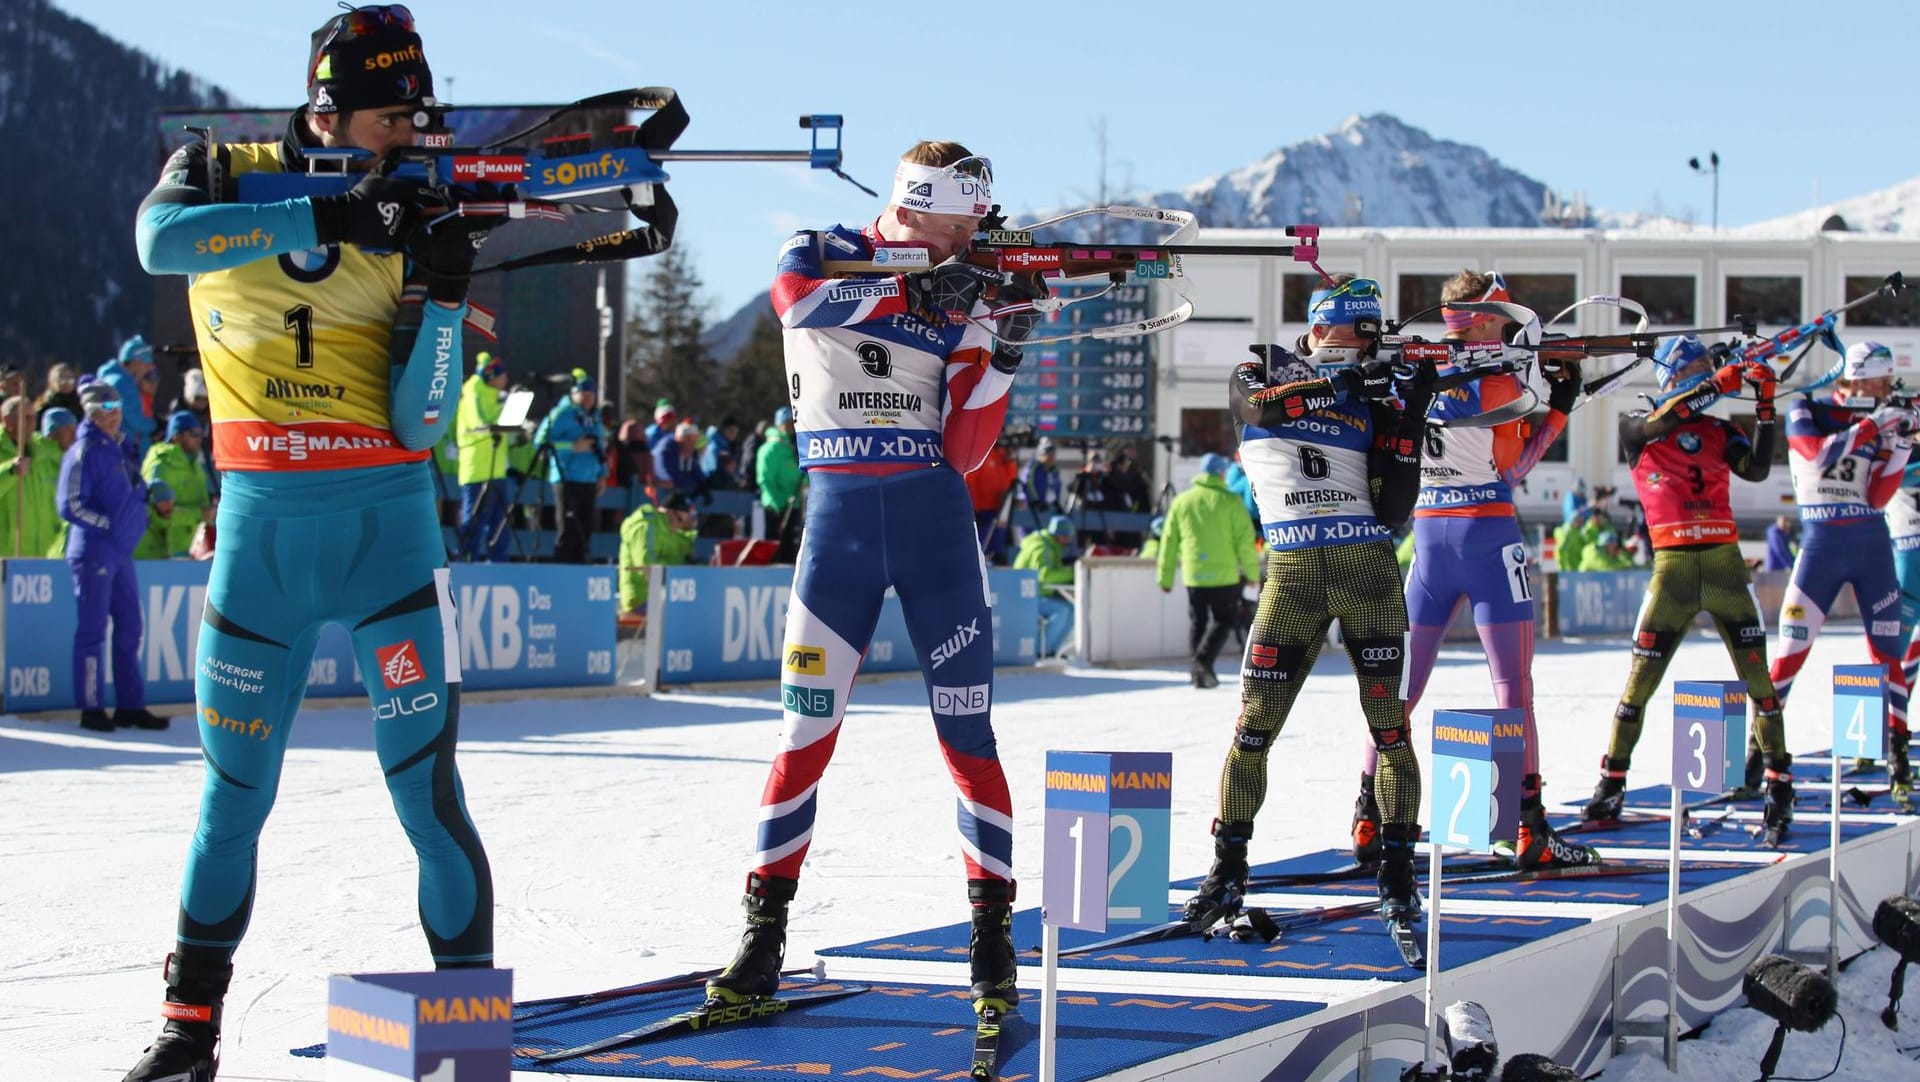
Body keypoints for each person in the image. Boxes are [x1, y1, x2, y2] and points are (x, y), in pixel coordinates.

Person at [124, 8, 500, 1079]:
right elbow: (162, 241)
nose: (409, 138)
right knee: (232, 797)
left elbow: (422, 422)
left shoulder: (421, 200)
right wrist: (334, 202)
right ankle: (187, 1030)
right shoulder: (217, 163)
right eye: (393, 118)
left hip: (389, 533)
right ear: (326, 106)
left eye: (419, 118)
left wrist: (443, 293)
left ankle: (467, 1041)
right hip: (263, 539)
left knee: (427, 795)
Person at [704, 142, 1040, 1033]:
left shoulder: (967, 286)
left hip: (935, 529)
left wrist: (998, 347)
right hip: (838, 529)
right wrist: (911, 292)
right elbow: (798, 302)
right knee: (803, 735)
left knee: (969, 741)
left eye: (976, 223)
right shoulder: (818, 247)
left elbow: (965, 450)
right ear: (916, 208)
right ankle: (762, 938)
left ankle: (992, 944)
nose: (970, 236)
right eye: (959, 221)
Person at [1182, 275, 1434, 934]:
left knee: (1390, 731)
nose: (1360, 350)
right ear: (1319, 329)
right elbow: (1258, 408)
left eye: (1370, 341)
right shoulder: (1264, 363)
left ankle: (1399, 876)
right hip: (1291, 574)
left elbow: (1394, 508)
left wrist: (1409, 416)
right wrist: (1340, 384)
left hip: (1367, 569)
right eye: (1353, 336)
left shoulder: (1373, 394)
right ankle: (1228, 868)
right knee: (1253, 730)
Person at [1362, 269, 1596, 871]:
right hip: (1488, 535)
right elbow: (1515, 468)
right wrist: (1561, 405)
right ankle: (1530, 828)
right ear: (1488, 318)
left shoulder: (1422, 371)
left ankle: (1367, 817)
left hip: (1429, 538)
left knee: (1399, 690)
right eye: (1502, 316)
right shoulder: (1495, 380)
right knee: (1513, 688)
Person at [1580, 336, 1795, 835]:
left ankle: (1780, 783)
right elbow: (1665, 421)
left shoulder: (1720, 429)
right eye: (1696, 367)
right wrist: (1714, 383)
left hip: (1724, 567)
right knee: (1637, 688)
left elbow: (1757, 470)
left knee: (1762, 689)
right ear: (1674, 375)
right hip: (1671, 572)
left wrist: (1765, 408)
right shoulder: (1638, 427)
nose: (1706, 374)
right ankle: (1611, 783)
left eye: (1708, 368)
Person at [1770, 341, 1913, 803]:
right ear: (1855, 376)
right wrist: (1875, 424)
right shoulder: (1805, 408)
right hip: (1821, 546)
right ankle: (1763, 758)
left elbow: (1876, 497)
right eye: (1881, 380)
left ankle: (1898, 759)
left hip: (1871, 545)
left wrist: (1899, 446)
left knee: (1887, 654)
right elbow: (1816, 456)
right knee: (1790, 652)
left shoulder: (1877, 420)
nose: (1887, 389)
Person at [59, 379, 165, 734]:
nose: (114, 414)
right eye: (106, 408)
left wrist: (148, 496)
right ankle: (91, 708)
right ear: (90, 412)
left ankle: (129, 705)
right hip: (93, 551)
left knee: (131, 629)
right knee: (92, 632)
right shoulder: (84, 450)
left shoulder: (121, 447)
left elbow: (128, 492)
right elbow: (70, 504)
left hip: (120, 552)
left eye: (117, 407)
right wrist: (108, 525)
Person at [1156, 453, 1259, 688]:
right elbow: (1245, 542)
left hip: (1194, 574)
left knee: (1198, 622)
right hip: (1224, 575)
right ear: (1222, 473)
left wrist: (1165, 576)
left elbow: (1169, 541)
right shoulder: (1231, 501)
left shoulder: (1182, 501)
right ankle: (1203, 662)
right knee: (1225, 619)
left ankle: (1198, 673)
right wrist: (1252, 575)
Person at [534, 374, 607, 564]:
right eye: (584, 393)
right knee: (567, 529)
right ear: (574, 394)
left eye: (592, 393)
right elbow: (541, 443)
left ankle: (580, 572)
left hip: (589, 479)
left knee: (585, 531)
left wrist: (602, 474)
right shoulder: (562, 413)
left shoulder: (595, 417)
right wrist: (571, 446)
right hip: (566, 478)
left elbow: (600, 446)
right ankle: (562, 572)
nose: (588, 397)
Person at [455, 352, 512, 561]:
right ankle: (468, 565)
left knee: (500, 524)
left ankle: (498, 566)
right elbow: (480, 425)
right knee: (475, 522)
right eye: (503, 376)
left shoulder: (494, 397)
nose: (505, 380)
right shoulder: (473, 394)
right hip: (477, 471)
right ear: (493, 376)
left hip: (497, 469)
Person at [617, 491, 697, 620]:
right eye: (687, 513)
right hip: (642, 599)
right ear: (671, 512)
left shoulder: (674, 531)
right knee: (692, 615)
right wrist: (680, 567)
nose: (690, 518)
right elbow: (647, 568)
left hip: (664, 597)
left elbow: (686, 558)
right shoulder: (645, 526)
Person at [142, 411, 212, 558]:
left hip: (190, 548)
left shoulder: (194, 463)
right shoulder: (161, 463)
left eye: (201, 434)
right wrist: (200, 514)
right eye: (193, 434)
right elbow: (154, 512)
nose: (199, 439)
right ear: (176, 436)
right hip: (163, 551)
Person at [0, 395, 58, 557]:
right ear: (6, 419)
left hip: (44, 554)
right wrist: (10, 472)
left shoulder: (45, 453)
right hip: (6, 555)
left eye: (34, 417)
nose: (32, 422)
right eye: (25, 417)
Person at [1014, 514, 1077, 657]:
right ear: (1057, 534)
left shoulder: (1051, 545)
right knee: (1062, 611)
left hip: (1037, 593)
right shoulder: (1042, 547)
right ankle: (1040, 651)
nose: (1068, 541)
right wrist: (1073, 574)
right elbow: (1044, 576)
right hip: (1024, 595)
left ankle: (1052, 650)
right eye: (1066, 536)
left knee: (1072, 610)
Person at [754, 405, 802, 562]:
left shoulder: (792, 447)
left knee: (790, 546)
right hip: (775, 506)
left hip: (792, 503)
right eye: (788, 424)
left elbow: (799, 472)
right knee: (773, 545)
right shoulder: (770, 449)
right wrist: (776, 501)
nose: (791, 428)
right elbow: (765, 478)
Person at [99, 335, 160, 456]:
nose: (148, 369)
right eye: (146, 364)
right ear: (136, 362)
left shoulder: (112, 379)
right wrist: (155, 426)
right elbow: (136, 420)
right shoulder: (123, 384)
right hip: (127, 451)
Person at [965, 440, 1020, 563]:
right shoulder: (981, 454)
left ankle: (997, 556)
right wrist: (973, 508)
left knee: (998, 537)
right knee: (982, 540)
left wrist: (1010, 461)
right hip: (982, 508)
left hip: (1000, 507)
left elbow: (1011, 480)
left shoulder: (1002, 455)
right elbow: (970, 481)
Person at [38, 408, 78, 558]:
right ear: (52, 432)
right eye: (67, 429)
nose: (74, 435)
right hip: (41, 544)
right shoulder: (37, 460)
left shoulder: (75, 463)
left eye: (75, 429)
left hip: (65, 546)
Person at [653, 420, 708, 498]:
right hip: (655, 496)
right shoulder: (665, 450)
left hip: (673, 497)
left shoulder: (686, 450)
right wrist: (693, 485)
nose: (693, 444)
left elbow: (694, 468)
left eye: (694, 440)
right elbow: (670, 479)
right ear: (682, 438)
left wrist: (703, 484)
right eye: (691, 440)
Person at [1018, 436, 1062, 518]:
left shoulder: (1054, 470)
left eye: (1053, 456)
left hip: (1047, 509)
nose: (1052, 459)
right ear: (1043, 455)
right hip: (1032, 509)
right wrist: (1036, 501)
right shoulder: (1034, 467)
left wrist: (1056, 503)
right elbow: (1027, 484)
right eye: (1049, 456)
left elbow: (1056, 487)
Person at [134, 480, 177, 560]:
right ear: (152, 502)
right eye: (164, 502)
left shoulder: (163, 525)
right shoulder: (137, 525)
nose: (169, 507)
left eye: (171, 502)